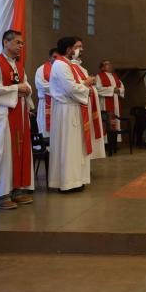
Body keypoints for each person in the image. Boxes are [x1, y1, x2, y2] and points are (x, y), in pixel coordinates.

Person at [0, 30, 35, 210]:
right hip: (3, 117)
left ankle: (16, 190)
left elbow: (26, 86)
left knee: (20, 152)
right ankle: (1, 194)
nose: (21, 46)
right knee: (5, 154)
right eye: (18, 42)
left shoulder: (18, 65)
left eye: (22, 43)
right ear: (6, 42)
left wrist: (24, 90)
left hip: (19, 114)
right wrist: (16, 89)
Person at [48, 37, 95, 192]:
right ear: (68, 49)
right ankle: (67, 183)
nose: (80, 50)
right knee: (68, 146)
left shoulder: (68, 64)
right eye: (76, 47)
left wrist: (84, 85)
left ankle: (76, 180)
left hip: (74, 107)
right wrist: (87, 86)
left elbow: (74, 86)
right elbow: (70, 88)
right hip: (66, 110)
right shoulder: (60, 65)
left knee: (75, 147)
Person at [71, 39, 105, 160]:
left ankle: (86, 161)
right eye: (79, 47)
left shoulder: (80, 67)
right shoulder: (67, 66)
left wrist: (91, 81)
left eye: (82, 47)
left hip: (87, 105)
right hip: (76, 107)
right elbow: (72, 86)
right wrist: (87, 82)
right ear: (71, 48)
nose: (82, 50)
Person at [96, 59, 125, 142]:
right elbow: (98, 89)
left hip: (115, 101)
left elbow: (122, 87)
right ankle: (106, 141)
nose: (110, 65)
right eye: (106, 64)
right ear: (102, 68)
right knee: (107, 121)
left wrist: (119, 90)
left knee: (115, 120)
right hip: (106, 101)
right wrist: (112, 90)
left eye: (110, 64)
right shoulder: (99, 76)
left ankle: (114, 141)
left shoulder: (114, 76)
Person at [35, 48, 58, 138]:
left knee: (57, 129)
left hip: (58, 103)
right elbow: (41, 85)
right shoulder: (41, 69)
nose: (56, 59)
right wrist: (59, 88)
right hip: (45, 103)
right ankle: (46, 150)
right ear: (49, 58)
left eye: (58, 57)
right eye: (54, 57)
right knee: (44, 128)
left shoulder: (61, 69)